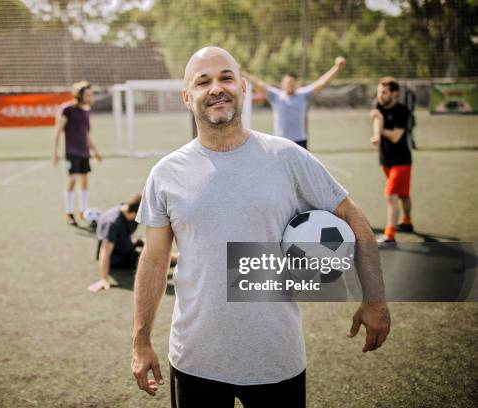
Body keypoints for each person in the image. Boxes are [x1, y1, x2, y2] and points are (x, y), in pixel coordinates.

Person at [131, 46, 390, 408]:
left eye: (226, 78)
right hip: (194, 359)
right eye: (203, 82)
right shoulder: (166, 173)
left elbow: (354, 217)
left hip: (276, 358)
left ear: (244, 88)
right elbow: (155, 261)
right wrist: (140, 340)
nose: (216, 88)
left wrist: (374, 298)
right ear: (187, 97)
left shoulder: (286, 156)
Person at [244, 56, 346, 149]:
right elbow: (258, 83)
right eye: (288, 82)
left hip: (300, 141)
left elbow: (322, 82)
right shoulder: (276, 95)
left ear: (296, 83)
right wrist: (241, 72)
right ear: (283, 84)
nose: (291, 84)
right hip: (280, 141)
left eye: (293, 82)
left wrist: (337, 68)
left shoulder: (303, 94)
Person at [369, 77, 413, 244]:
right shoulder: (378, 105)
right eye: (379, 91)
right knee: (403, 194)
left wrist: (380, 131)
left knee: (391, 195)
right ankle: (407, 221)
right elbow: (375, 119)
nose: (380, 95)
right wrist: (375, 133)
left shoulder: (402, 111)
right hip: (386, 160)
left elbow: (396, 136)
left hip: (401, 161)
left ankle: (389, 234)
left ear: (395, 94)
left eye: (384, 92)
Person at [52, 81, 102, 226]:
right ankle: (68, 212)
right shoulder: (67, 109)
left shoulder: (86, 111)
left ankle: (82, 211)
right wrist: (55, 153)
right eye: (88, 94)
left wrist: (96, 151)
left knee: (85, 181)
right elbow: (57, 131)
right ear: (79, 95)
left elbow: (86, 135)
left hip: (84, 153)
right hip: (71, 152)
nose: (91, 96)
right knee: (72, 180)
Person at [87, 194, 143, 293]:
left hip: (125, 244)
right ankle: (177, 258)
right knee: (156, 257)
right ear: (135, 214)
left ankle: (176, 258)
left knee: (146, 244)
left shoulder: (127, 208)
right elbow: (105, 252)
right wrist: (104, 280)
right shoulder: (112, 223)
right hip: (118, 257)